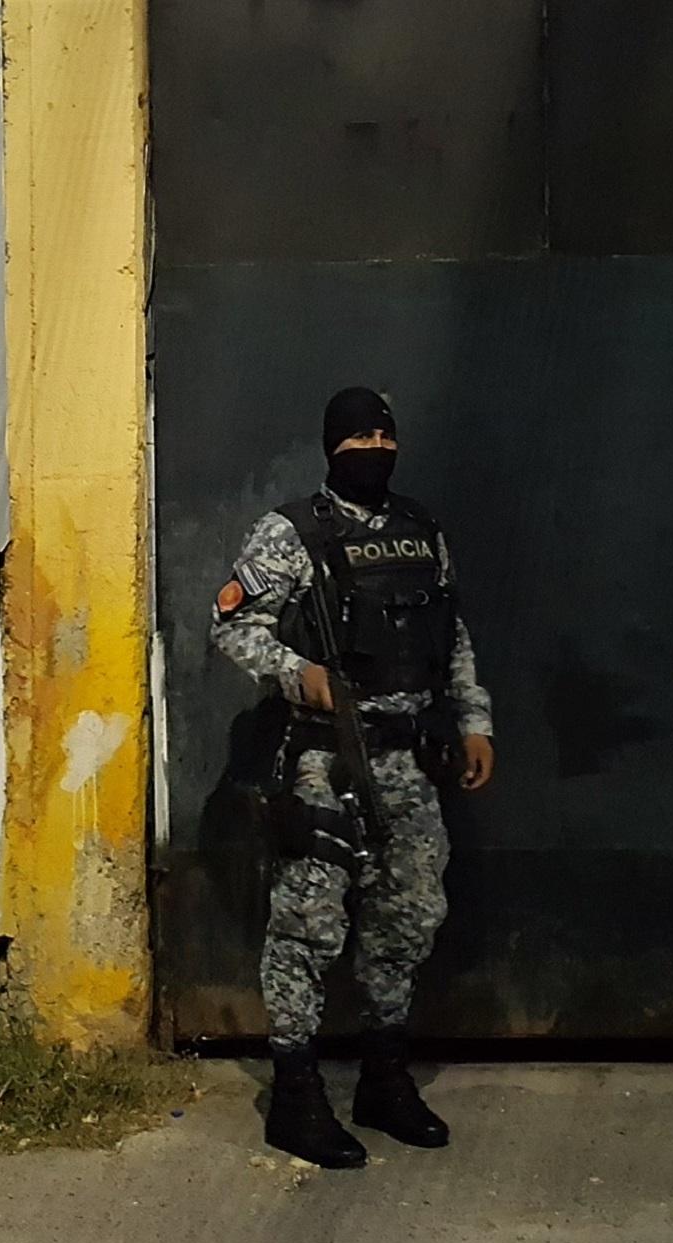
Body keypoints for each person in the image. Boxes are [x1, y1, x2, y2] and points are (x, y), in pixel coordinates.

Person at [210, 386, 495, 1169]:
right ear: (333, 447)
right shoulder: (292, 533)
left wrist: (475, 721)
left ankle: (384, 1077)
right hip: (325, 760)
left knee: (407, 919)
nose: (374, 446)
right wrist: (301, 674)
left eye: (384, 434)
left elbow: (453, 632)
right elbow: (232, 622)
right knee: (308, 926)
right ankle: (296, 1095)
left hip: (409, 758)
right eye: (359, 435)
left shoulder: (420, 531)